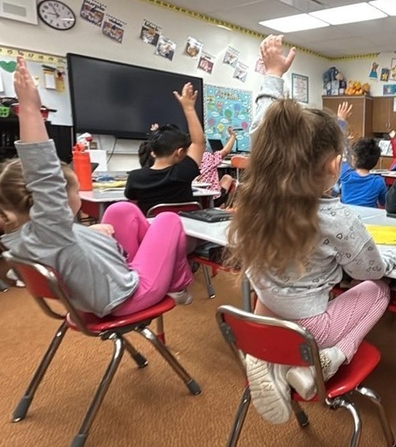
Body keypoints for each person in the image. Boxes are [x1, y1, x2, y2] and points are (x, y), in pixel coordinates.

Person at [227, 98, 396, 424]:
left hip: (268, 313)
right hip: (312, 330)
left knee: (268, 279)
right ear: (333, 165)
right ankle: (331, 357)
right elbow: (368, 270)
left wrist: (272, 77)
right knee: (379, 290)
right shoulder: (336, 217)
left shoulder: (258, 201)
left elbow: (265, 131)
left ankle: (269, 356)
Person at [0, 57, 194, 318]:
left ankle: (150, 253)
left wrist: (88, 234)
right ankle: (178, 285)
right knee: (168, 219)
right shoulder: (51, 230)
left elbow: (64, 241)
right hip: (128, 296)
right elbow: (44, 176)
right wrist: (31, 110)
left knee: (122, 210)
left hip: (104, 285)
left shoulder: (21, 235)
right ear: (57, 200)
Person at [125, 84, 205, 215]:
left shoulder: (135, 177)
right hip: (184, 229)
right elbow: (198, 142)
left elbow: (132, 204)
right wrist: (189, 108)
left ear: (153, 152)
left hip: (151, 231)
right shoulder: (182, 173)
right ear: (179, 153)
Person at [339, 136, 387, 208]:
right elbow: (384, 202)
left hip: (347, 216)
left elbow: (342, 157)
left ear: (353, 158)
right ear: (375, 161)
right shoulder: (379, 181)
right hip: (369, 217)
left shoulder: (345, 175)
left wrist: (346, 143)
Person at [198, 126, 237, 207]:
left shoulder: (185, 161)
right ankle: (222, 205)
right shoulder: (208, 156)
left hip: (194, 198)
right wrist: (233, 136)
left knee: (226, 177)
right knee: (227, 178)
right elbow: (226, 151)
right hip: (212, 198)